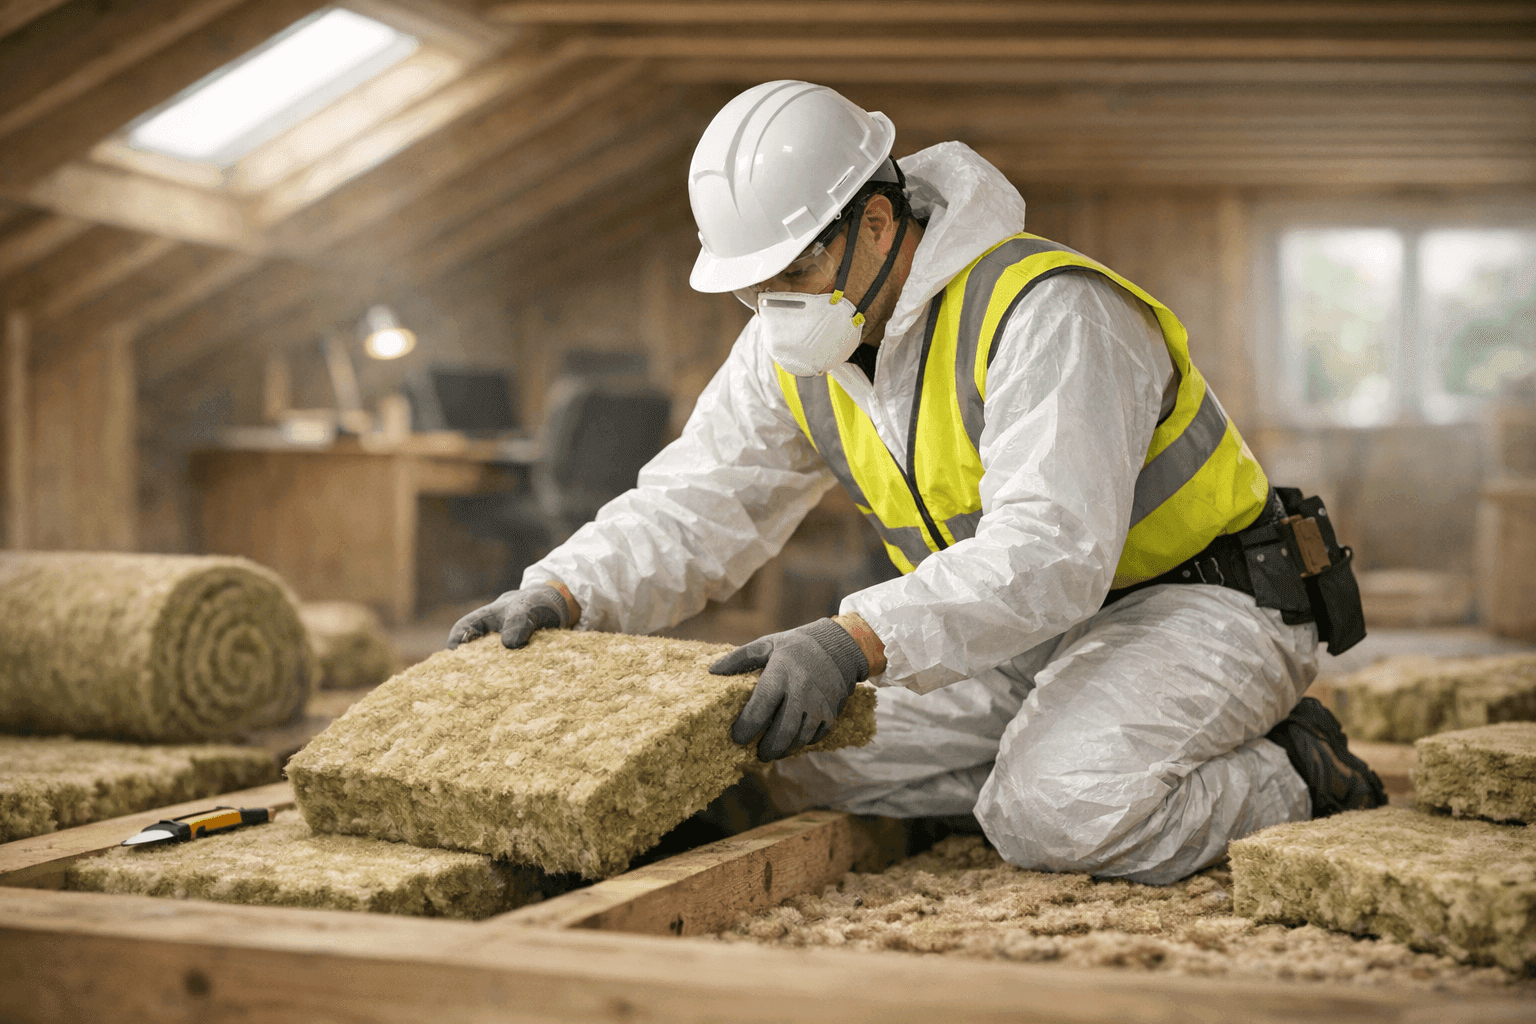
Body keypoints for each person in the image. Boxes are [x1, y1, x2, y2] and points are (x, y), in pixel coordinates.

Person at [449, 81, 1384, 884]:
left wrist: (857, 639)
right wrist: (565, 589)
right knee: (766, 765)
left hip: (1198, 606)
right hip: (1017, 634)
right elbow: (702, 498)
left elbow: (1052, 554)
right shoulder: (794, 343)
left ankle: (1297, 769)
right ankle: (1058, 745)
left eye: (796, 266)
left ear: (879, 221)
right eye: (753, 285)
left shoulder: (1051, 312)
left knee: (1053, 812)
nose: (776, 304)